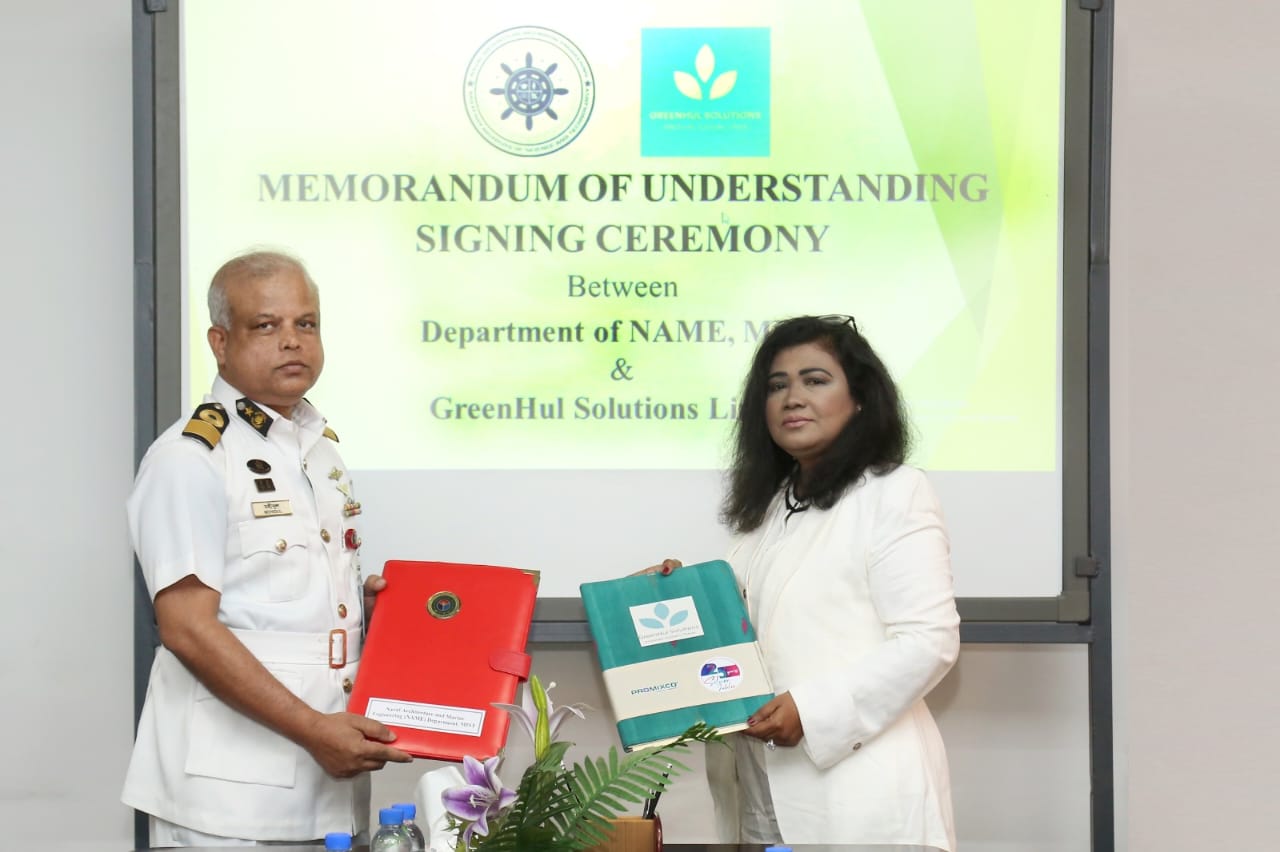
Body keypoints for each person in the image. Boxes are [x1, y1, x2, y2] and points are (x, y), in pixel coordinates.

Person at [123, 250, 413, 847]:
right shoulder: (191, 457)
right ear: (220, 342)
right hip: (229, 797)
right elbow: (186, 629)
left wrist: (368, 614)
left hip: (327, 783)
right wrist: (312, 730)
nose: (292, 341)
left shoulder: (320, 450)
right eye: (266, 325)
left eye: (306, 323)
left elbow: (283, 601)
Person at [653, 315, 960, 850]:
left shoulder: (894, 492)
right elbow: (750, 635)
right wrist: (670, 598)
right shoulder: (771, 507)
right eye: (777, 386)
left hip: (859, 796)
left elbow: (929, 641)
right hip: (761, 795)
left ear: (859, 399)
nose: (793, 398)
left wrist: (812, 711)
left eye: (815, 380)